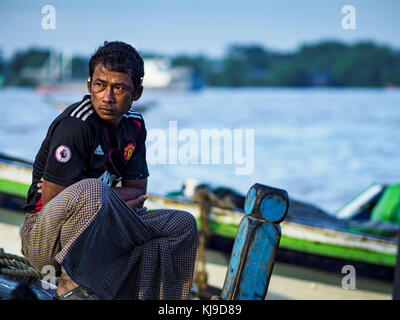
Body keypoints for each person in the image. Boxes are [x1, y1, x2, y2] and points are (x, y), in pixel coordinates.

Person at [21, 41, 199, 300]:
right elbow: (52, 201)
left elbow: (139, 191)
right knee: (93, 190)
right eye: (100, 85)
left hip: (103, 232)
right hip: (45, 240)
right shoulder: (77, 125)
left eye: (119, 88)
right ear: (89, 85)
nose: (107, 97)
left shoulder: (135, 125)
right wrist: (105, 199)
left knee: (182, 224)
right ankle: (69, 286)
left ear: (137, 92)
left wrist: (102, 203)